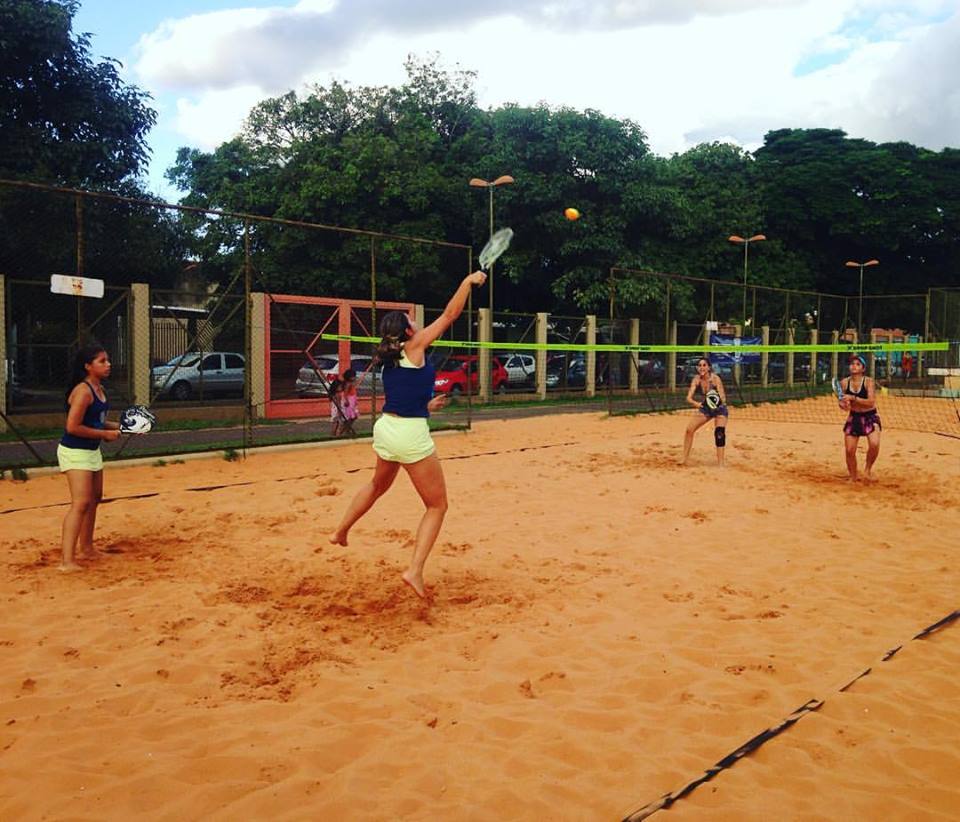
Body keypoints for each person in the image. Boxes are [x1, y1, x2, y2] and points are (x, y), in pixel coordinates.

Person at [329, 270, 487, 598]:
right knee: (437, 506)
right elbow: (450, 314)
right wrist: (467, 282)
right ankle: (414, 570)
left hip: (386, 429)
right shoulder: (414, 345)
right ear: (406, 330)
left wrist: (428, 405)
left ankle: (341, 531)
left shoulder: (388, 358)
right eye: (409, 318)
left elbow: (403, 399)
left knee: (376, 486)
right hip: (408, 435)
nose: (414, 320)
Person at [58, 344, 121, 571]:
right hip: (75, 452)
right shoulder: (83, 391)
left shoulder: (99, 388)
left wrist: (123, 427)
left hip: (91, 451)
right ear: (88, 366)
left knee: (95, 498)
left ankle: (86, 548)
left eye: (107, 360)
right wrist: (105, 434)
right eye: (102, 361)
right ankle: (67, 562)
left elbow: (95, 422)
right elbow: (73, 426)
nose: (108, 364)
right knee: (81, 503)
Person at [837, 354, 881, 481]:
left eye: (857, 364)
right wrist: (844, 405)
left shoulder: (868, 382)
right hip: (854, 417)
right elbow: (842, 404)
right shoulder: (844, 383)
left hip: (870, 416)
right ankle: (853, 476)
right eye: (852, 364)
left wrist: (853, 398)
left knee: (874, 444)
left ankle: (867, 470)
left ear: (863, 368)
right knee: (850, 450)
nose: (854, 366)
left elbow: (871, 402)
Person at [681, 357, 728, 467]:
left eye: (704, 365)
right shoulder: (696, 379)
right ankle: (684, 459)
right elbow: (688, 398)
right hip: (706, 408)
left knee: (719, 433)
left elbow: (723, 397)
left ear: (709, 367)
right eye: (700, 365)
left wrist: (715, 401)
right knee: (689, 430)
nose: (702, 367)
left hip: (719, 408)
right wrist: (698, 404)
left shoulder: (715, 379)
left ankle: (721, 463)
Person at [339, 368, 359, 436]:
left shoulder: (351, 383)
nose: (354, 377)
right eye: (353, 376)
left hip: (352, 401)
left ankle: (347, 430)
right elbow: (345, 393)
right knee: (349, 417)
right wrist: (346, 401)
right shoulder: (348, 384)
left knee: (353, 417)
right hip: (349, 401)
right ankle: (342, 431)